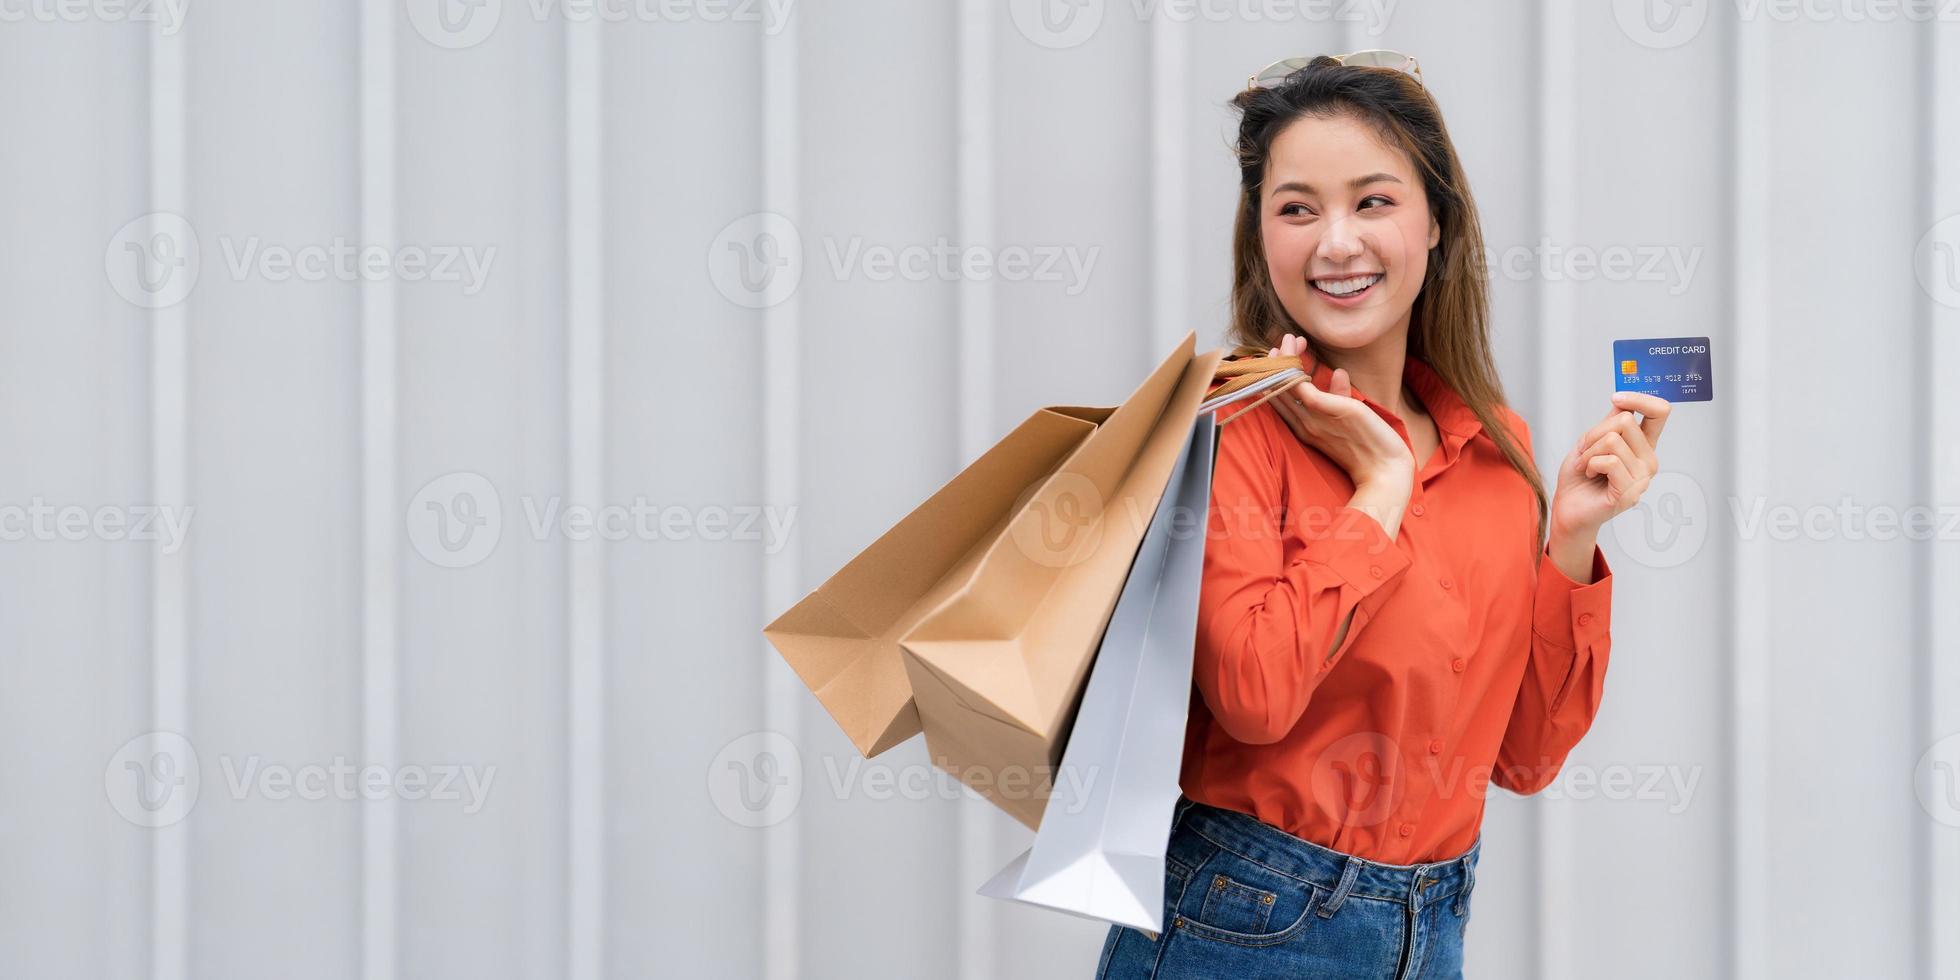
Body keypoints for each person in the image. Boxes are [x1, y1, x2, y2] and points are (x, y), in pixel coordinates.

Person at [1095, 51, 1670, 979]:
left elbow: (1523, 759)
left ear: (1435, 221)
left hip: (1432, 925)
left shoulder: (1495, 445)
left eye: (1373, 201)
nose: (1336, 243)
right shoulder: (1232, 427)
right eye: (1296, 208)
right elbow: (1254, 698)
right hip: (1245, 924)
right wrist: (1378, 493)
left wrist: (1571, 538)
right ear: (1260, 239)